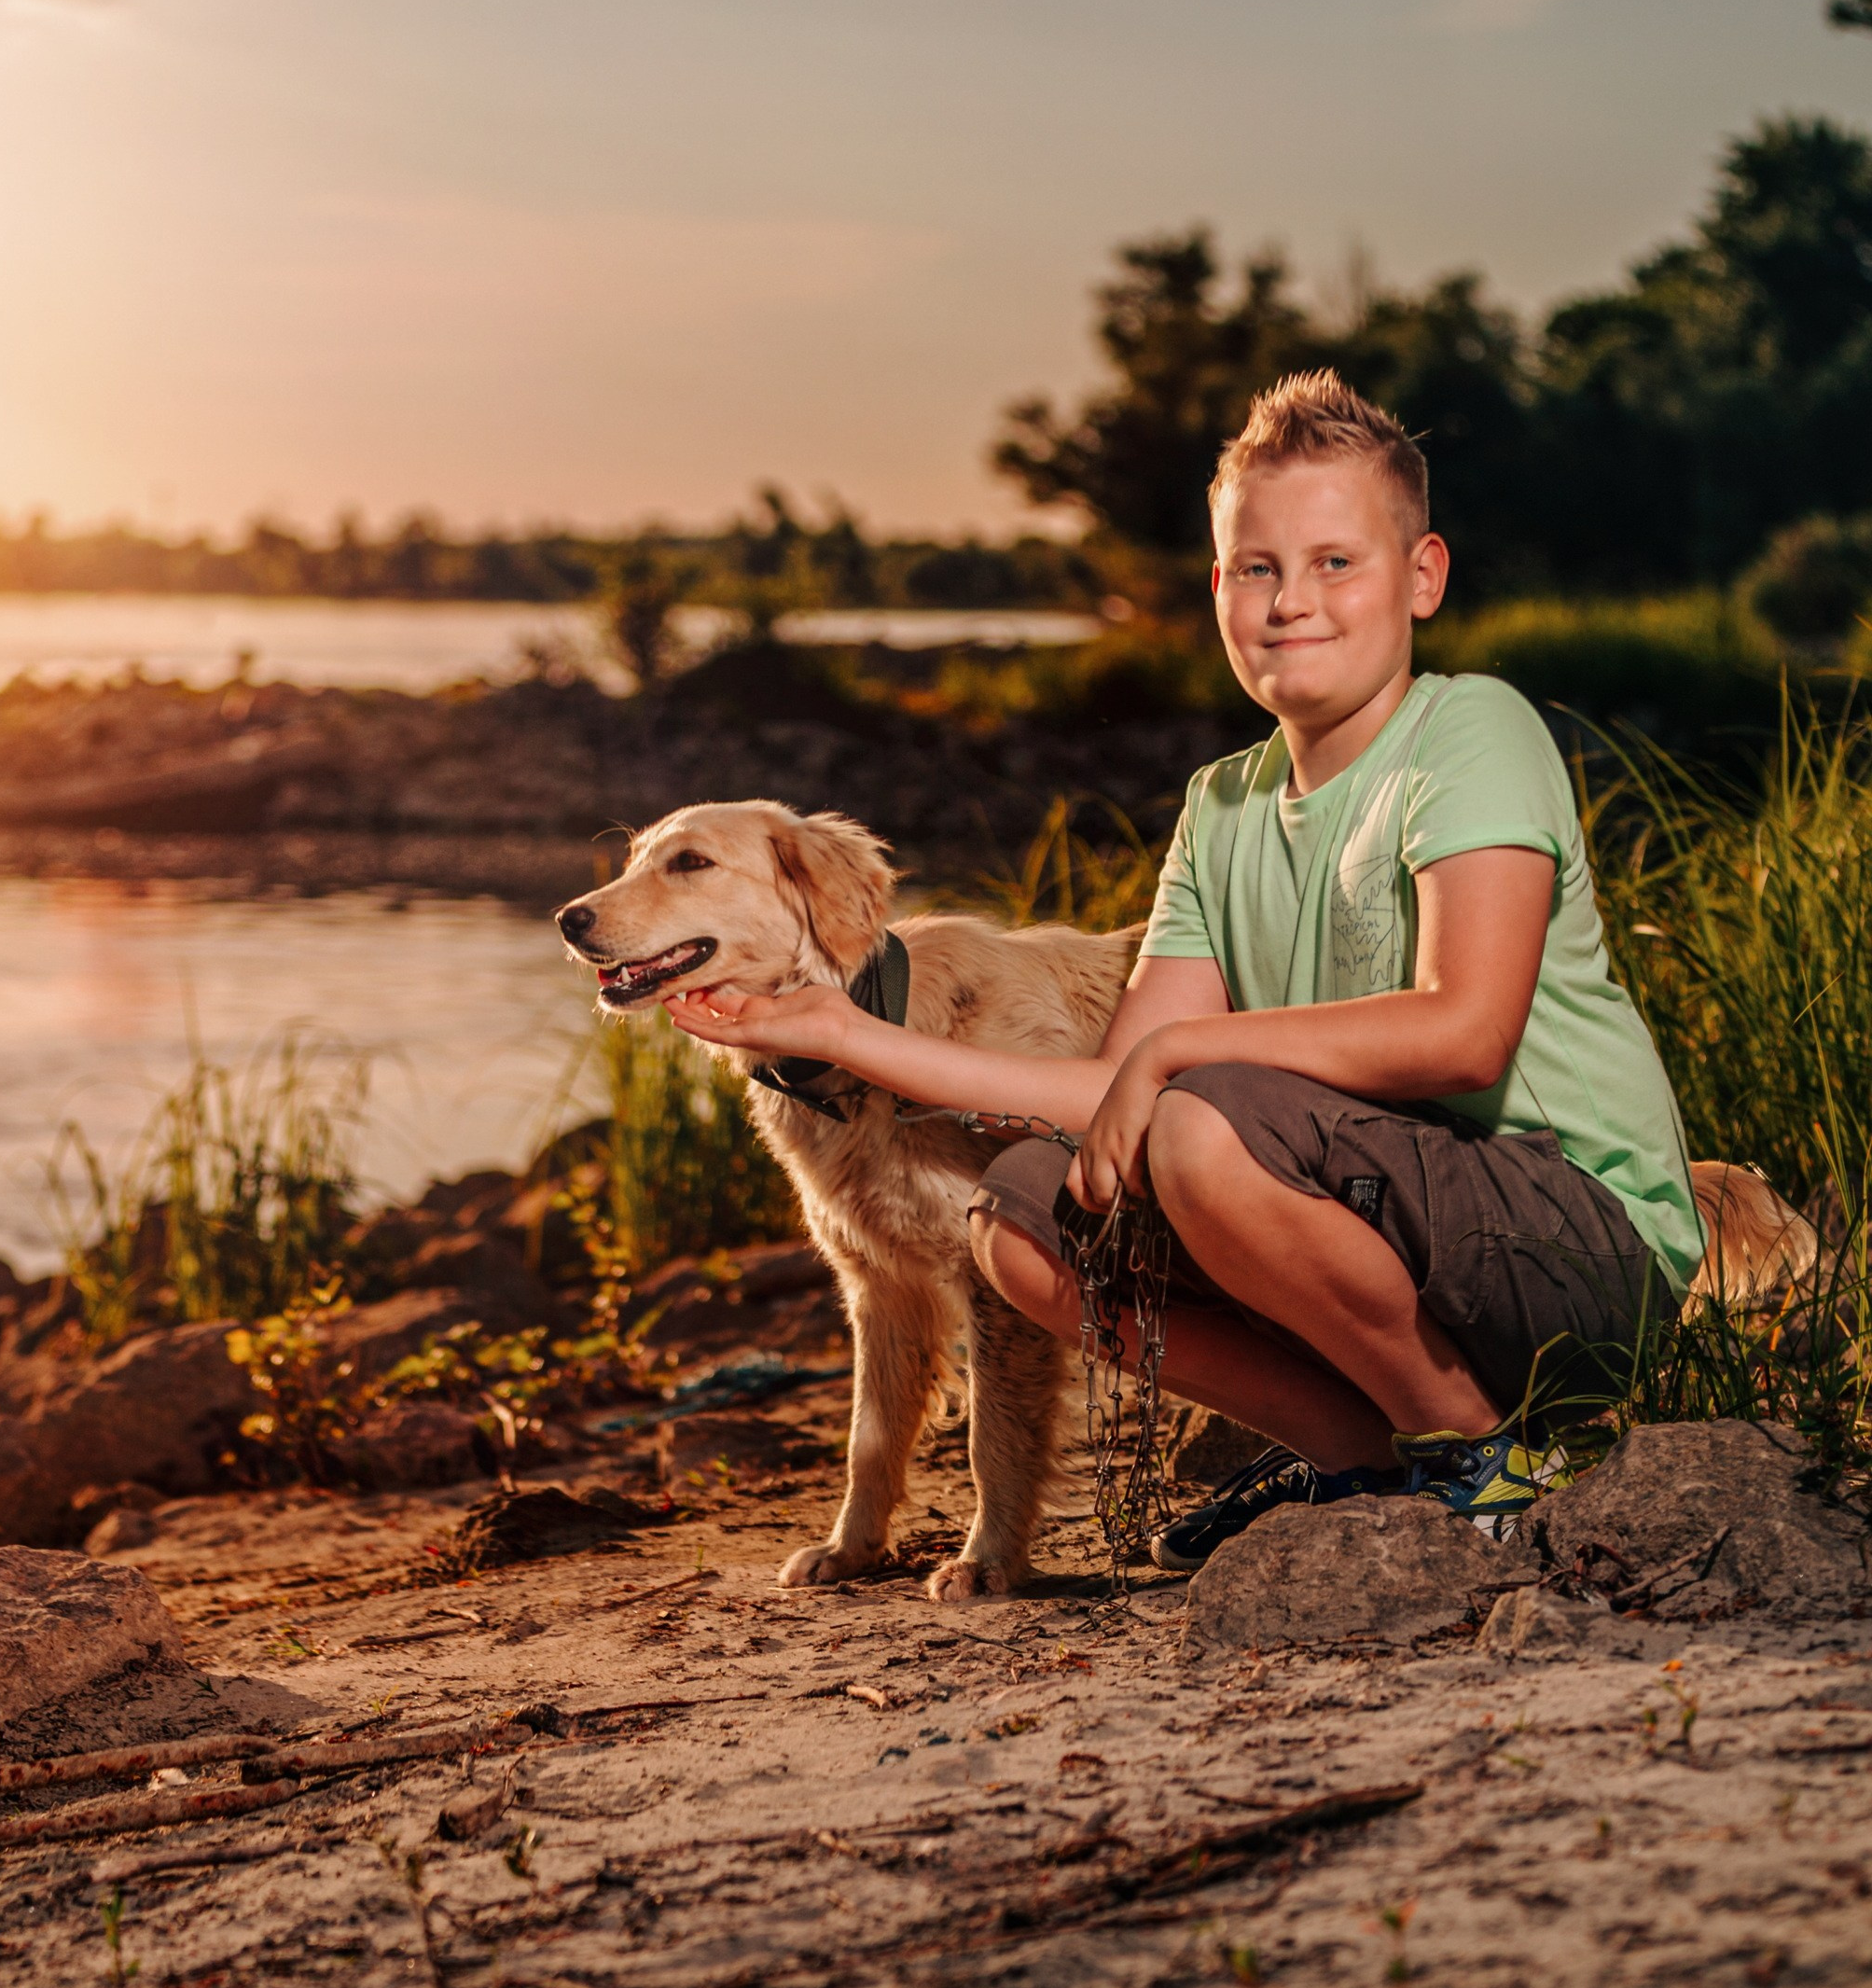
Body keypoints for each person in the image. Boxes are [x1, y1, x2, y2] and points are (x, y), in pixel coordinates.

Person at [663, 369, 1702, 1570]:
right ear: (1218, 589)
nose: (1291, 602)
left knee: (1198, 1124)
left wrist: (1176, 1051)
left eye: (1335, 563)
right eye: (1257, 568)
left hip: (1577, 1256)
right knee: (1019, 1217)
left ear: (1423, 577)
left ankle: (1479, 1453)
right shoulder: (1222, 806)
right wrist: (836, 1033)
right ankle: (1364, 1455)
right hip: (1388, 1236)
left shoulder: (1469, 730)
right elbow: (1104, 1095)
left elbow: (1464, 1035)